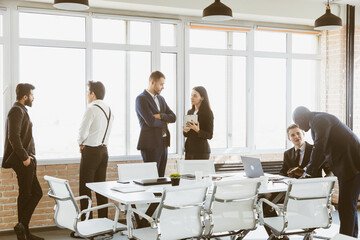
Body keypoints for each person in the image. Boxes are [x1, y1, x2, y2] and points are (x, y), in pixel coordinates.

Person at [293, 106, 360, 238]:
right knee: (348, 205)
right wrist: (308, 169)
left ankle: (346, 237)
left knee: (346, 206)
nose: (300, 127)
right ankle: (351, 236)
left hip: (353, 165)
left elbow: (320, 146)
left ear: (302, 118)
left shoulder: (319, 120)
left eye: (299, 123)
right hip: (349, 165)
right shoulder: (319, 120)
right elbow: (323, 151)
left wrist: (309, 172)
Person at [263, 123, 332, 240]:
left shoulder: (316, 150)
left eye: (298, 133)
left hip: (311, 192)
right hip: (290, 192)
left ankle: (307, 227)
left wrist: (327, 183)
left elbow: (330, 170)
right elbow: (282, 173)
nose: (296, 137)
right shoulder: (288, 153)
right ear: (289, 138)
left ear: (303, 134)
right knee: (264, 201)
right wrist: (279, 178)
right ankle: (277, 235)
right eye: (292, 135)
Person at [2, 83, 44, 240]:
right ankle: (22, 229)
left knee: (30, 193)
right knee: (29, 193)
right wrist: (25, 158)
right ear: (25, 97)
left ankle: (23, 230)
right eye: (32, 95)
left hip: (26, 159)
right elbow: (14, 137)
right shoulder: (16, 111)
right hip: (23, 161)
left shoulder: (21, 111)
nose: (34, 98)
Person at [77, 81, 114, 226]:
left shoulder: (91, 109)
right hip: (104, 151)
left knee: (85, 189)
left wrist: (81, 143)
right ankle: (103, 224)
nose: (87, 95)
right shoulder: (109, 110)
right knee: (100, 189)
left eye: (88, 92)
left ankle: (86, 225)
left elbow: (82, 132)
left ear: (93, 94)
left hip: (91, 151)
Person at [136, 71, 176, 177]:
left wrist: (161, 116)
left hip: (163, 143)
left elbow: (173, 117)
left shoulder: (161, 99)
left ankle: (160, 195)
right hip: (150, 145)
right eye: (161, 84)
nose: (163, 87)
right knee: (152, 178)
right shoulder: (141, 99)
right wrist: (165, 122)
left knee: (161, 178)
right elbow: (151, 121)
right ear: (152, 82)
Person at [183, 86, 214, 160]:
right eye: (191, 95)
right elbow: (187, 134)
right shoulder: (190, 112)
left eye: (195, 96)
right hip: (189, 150)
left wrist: (198, 130)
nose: (191, 97)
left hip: (201, 151)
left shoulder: (208, 113)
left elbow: (209, 135)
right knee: (188, 172)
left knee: (199, 172)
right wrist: (185, 131)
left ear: (202, 98)